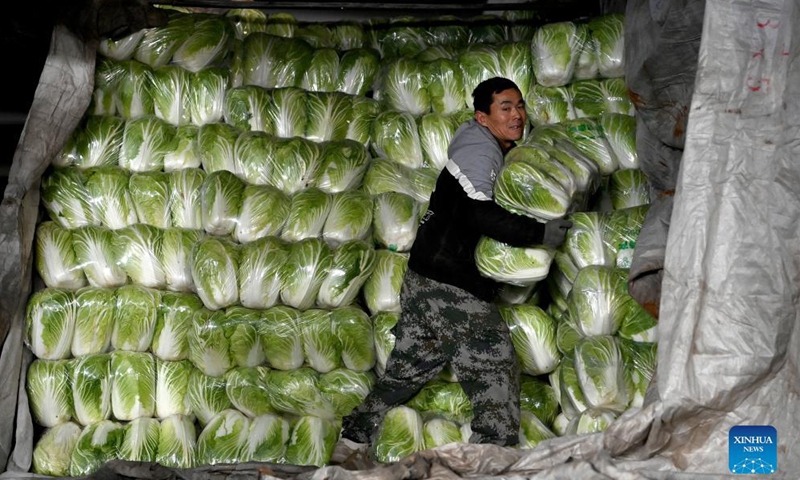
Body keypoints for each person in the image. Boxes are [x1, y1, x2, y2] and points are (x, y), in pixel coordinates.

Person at [341, 77, 572, 447]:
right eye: (505, 108)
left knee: (408, 368)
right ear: (483, 117)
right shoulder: (479, 153)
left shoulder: (483, 145)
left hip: (425, 276)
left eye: (519, 106)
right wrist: (540, 232)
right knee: (493, 361)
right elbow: (477, 213)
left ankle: (354, 436)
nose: (517, 115)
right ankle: (491, 451)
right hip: (448, 282)